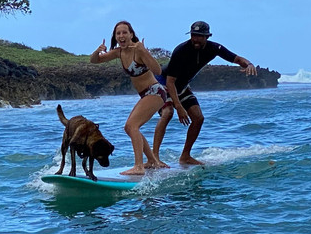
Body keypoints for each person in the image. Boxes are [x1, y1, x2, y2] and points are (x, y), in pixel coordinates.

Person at [151, 20, 257, 166]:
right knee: (168, 113)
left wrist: (249, 64)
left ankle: (185, 156)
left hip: (181, 86)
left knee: (198, 118)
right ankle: (154, 158)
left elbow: (237, 59)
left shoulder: (214, 48)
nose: (195, 39)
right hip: (163, 83)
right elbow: (170, 82)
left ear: (208, 36)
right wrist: (179, 107)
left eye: (199, 36)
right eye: (193, 35)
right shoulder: (181, 50)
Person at [90, 20, 175, 175]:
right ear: (115, 37)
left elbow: (157, 70)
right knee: (130, 128)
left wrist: (144, 52)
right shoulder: (119, 52)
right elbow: (94, 60)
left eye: (124, 32)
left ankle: (138, 166)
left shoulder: (138, 51)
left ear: (131, 34)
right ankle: (151, 161)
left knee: (131, 126)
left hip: (155, 91)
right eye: (118, 33)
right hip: (146, 94)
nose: (121, 36)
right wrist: (98, 50)